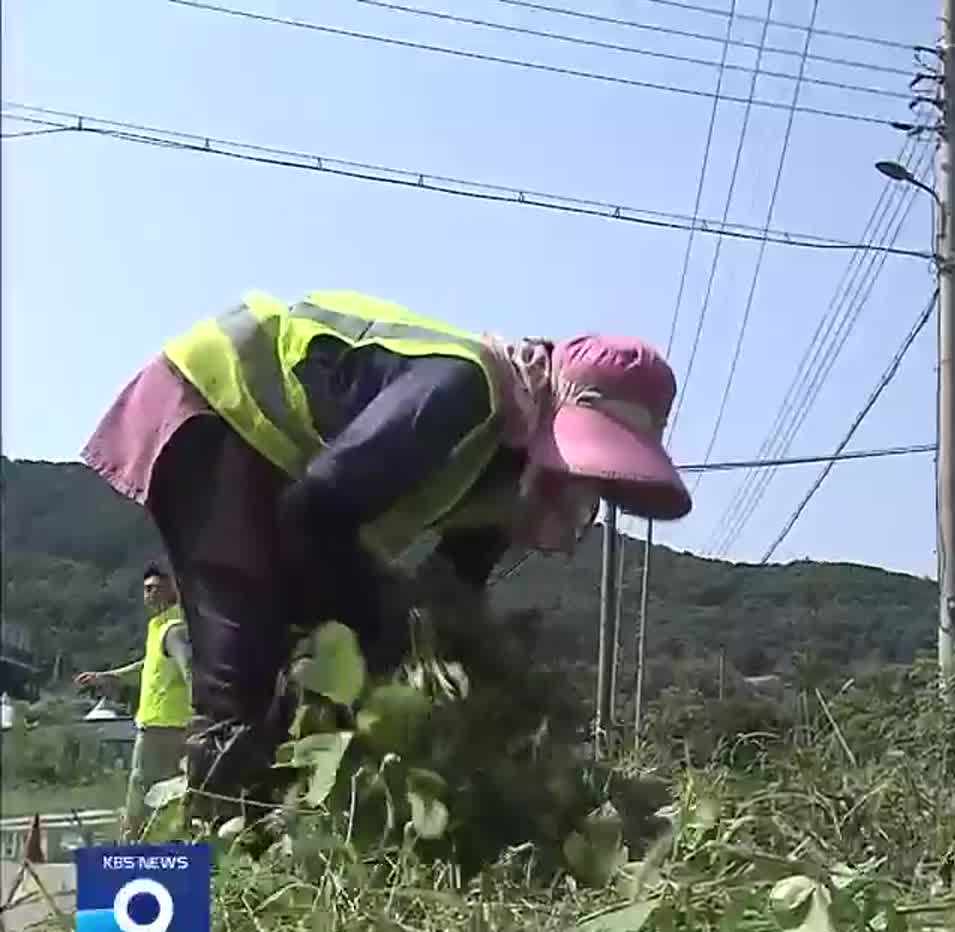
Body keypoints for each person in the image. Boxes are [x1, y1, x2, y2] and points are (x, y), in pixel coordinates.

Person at [80, 290, 693, 820]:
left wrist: (482, 691)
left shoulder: (505, 475)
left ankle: (271, 837)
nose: (580, 498)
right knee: (241, 678)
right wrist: (394, 631)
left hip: (286, 478)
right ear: (555, 416)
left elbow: (450, 599)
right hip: (221, 403)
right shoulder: (463, 390)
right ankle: (190, 897)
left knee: (321, 675)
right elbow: (314, 514)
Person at [73, 566, 193, 839]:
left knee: (140, 787)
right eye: (146, 589)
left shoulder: (173, 629)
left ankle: (132, 846)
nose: (149, 594)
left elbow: (189, 670)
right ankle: (161, 842)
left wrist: (198, 712)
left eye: (155, 587)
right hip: (163, 724)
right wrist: (109, 676)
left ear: (173, 588)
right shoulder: (159, 627)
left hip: (164, 726)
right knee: (168, 792)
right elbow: (147, 665)